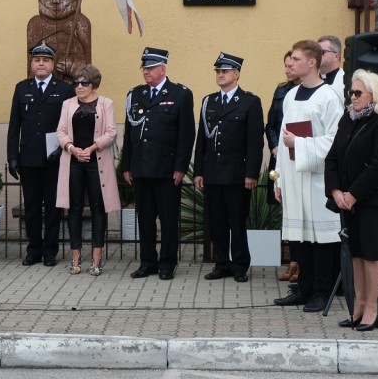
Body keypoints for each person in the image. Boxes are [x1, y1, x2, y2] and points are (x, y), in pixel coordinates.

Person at [273, 40, 343, 312]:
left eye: (297, 59)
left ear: (312, 62)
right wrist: (278, 177)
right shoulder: (291, 95)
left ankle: (322, 291)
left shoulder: (328, 97)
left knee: (320, 238)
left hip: (317, 178)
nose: (291, 63)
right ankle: (304, 287)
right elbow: (282, 136)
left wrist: (299, 145)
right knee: (298, 237)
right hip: (292, 175)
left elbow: (335, 140)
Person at [325, 69, 378, 331]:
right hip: (347, 200)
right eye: (350, 92)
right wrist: (336, 191)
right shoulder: (348, 119)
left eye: (357, 93)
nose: (352, 97)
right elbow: (332, 158)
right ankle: (357, 306)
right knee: (355, 254)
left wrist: (353, 194)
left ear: (372, 95)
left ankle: (371, 308)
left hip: (372, 200)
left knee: (371, 255)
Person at [121, 47, 195, 280]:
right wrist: (126, 165)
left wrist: (181, 167)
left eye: (151, 68)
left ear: (162, 69)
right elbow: (129, 133)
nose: (146, 72)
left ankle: (167, 263)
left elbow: (186, 134)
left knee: (169, 218)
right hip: (141, 167)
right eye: (144, 68)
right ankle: (148, 262)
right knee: (145, 218)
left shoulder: (180, 93)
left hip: (166, 168)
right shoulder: (135, 94)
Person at [194, 52, 264, 283]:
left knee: (237, 221)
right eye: (218, 71)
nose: (220, 75)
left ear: (236, 74)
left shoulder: (249, 102)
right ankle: (221, 263)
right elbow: (202, 139)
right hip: (213, 172)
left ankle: (240, 266)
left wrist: (251, 173)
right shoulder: (208, 101)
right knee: (217, 222)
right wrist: (199, 172)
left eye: (224, 71)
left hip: (236, 173)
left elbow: (255, 141)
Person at [7, 40, 74, 267]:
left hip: (54, 158)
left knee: (54, 207)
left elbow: (68, 125)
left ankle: (50, 251)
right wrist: (13, 157)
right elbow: (14, 126)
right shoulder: (22, 88)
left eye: (45, 60)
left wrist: (62, 149)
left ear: (53, 64)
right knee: (32, 207)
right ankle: (33, 250)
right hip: (29, 158)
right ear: (32, 64)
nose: (41, 64)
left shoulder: (65, 90)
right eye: (37, 60)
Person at [55, 64, 120, 276]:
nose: (79, 86)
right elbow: (61, 131)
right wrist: (73, 149)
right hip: (74, 161)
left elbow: (111, 133)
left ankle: (97, 258)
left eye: (84, 83)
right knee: (73, 209)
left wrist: (92, 148)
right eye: (76, 83)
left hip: (96, 162)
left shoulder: (105, 104)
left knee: (97, 209)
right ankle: (75, 257)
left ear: (94, 84)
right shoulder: (67, 104)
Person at [265, 51, 302, 282]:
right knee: (285, 212)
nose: (287, 69)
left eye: (291, 65)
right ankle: (293, 262)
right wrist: (273, 146)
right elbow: (270, 124)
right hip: (280, 157)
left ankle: (300, 264)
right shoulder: (281, 90)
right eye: (285, 65)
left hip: (300, 156)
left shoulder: (312, 92)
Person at [318, 35, 345, 103]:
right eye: (316, 52)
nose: (317, 55)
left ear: (336, 56)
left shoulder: (347, 81)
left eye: (322, 52)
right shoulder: (309, 81)